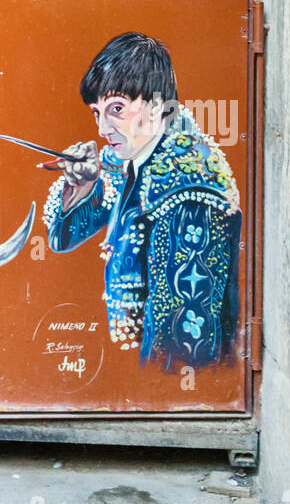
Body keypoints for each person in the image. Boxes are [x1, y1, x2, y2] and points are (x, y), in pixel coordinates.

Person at [44, 32, 241, 371]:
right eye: (97, 112)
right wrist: (82, 188)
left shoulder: (189, 192)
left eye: (117, 109)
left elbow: (184, 343)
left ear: (157, 104)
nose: (104, 127)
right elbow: (61, 240)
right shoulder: (125, 158)